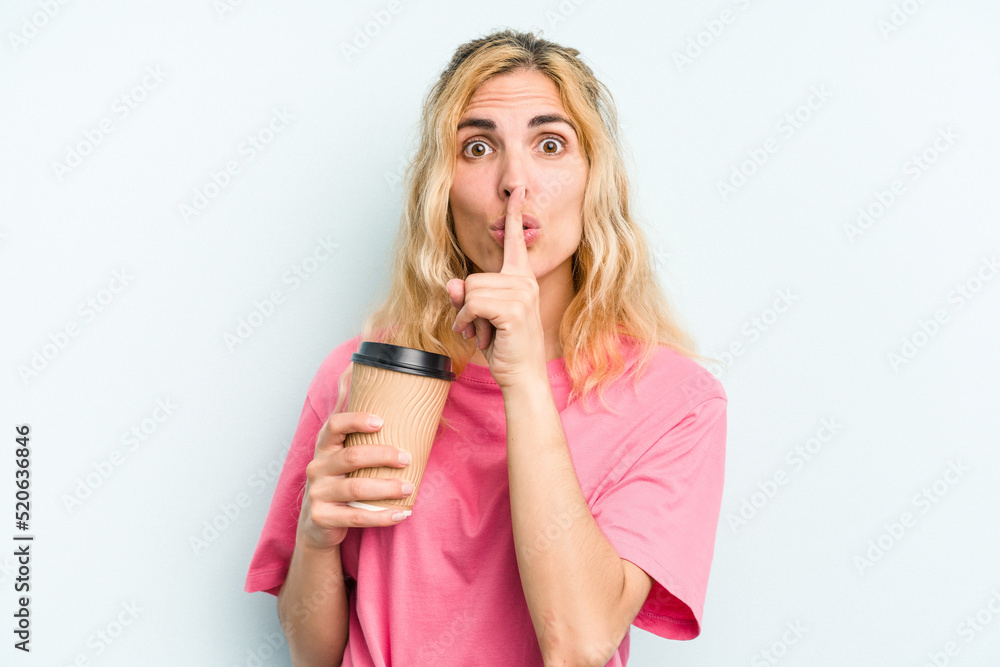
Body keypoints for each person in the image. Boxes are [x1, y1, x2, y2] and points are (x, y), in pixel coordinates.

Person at [245, 28, 728, 667]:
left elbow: (580, 645)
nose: (513, 182)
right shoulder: (362, 374)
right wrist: (315, 540)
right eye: (477, 147)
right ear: (441, 188)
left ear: (595, 183)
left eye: (550, 144)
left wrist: (525, 379)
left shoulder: (673, 400)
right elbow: (314, 653)